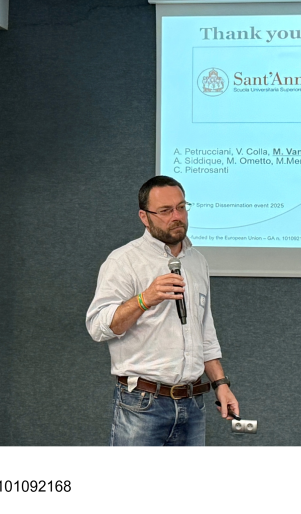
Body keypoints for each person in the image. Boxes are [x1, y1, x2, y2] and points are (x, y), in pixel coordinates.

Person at [86, 175, 239, 446]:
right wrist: (144, 299)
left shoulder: (197, 261)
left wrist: (221, 384)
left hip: (193, 404)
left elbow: (205, 332)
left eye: (181, 207)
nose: (176, 217)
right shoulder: (124, 261)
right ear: (144, 217)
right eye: (166, 211)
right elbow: (98, 328)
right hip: (143, 405)